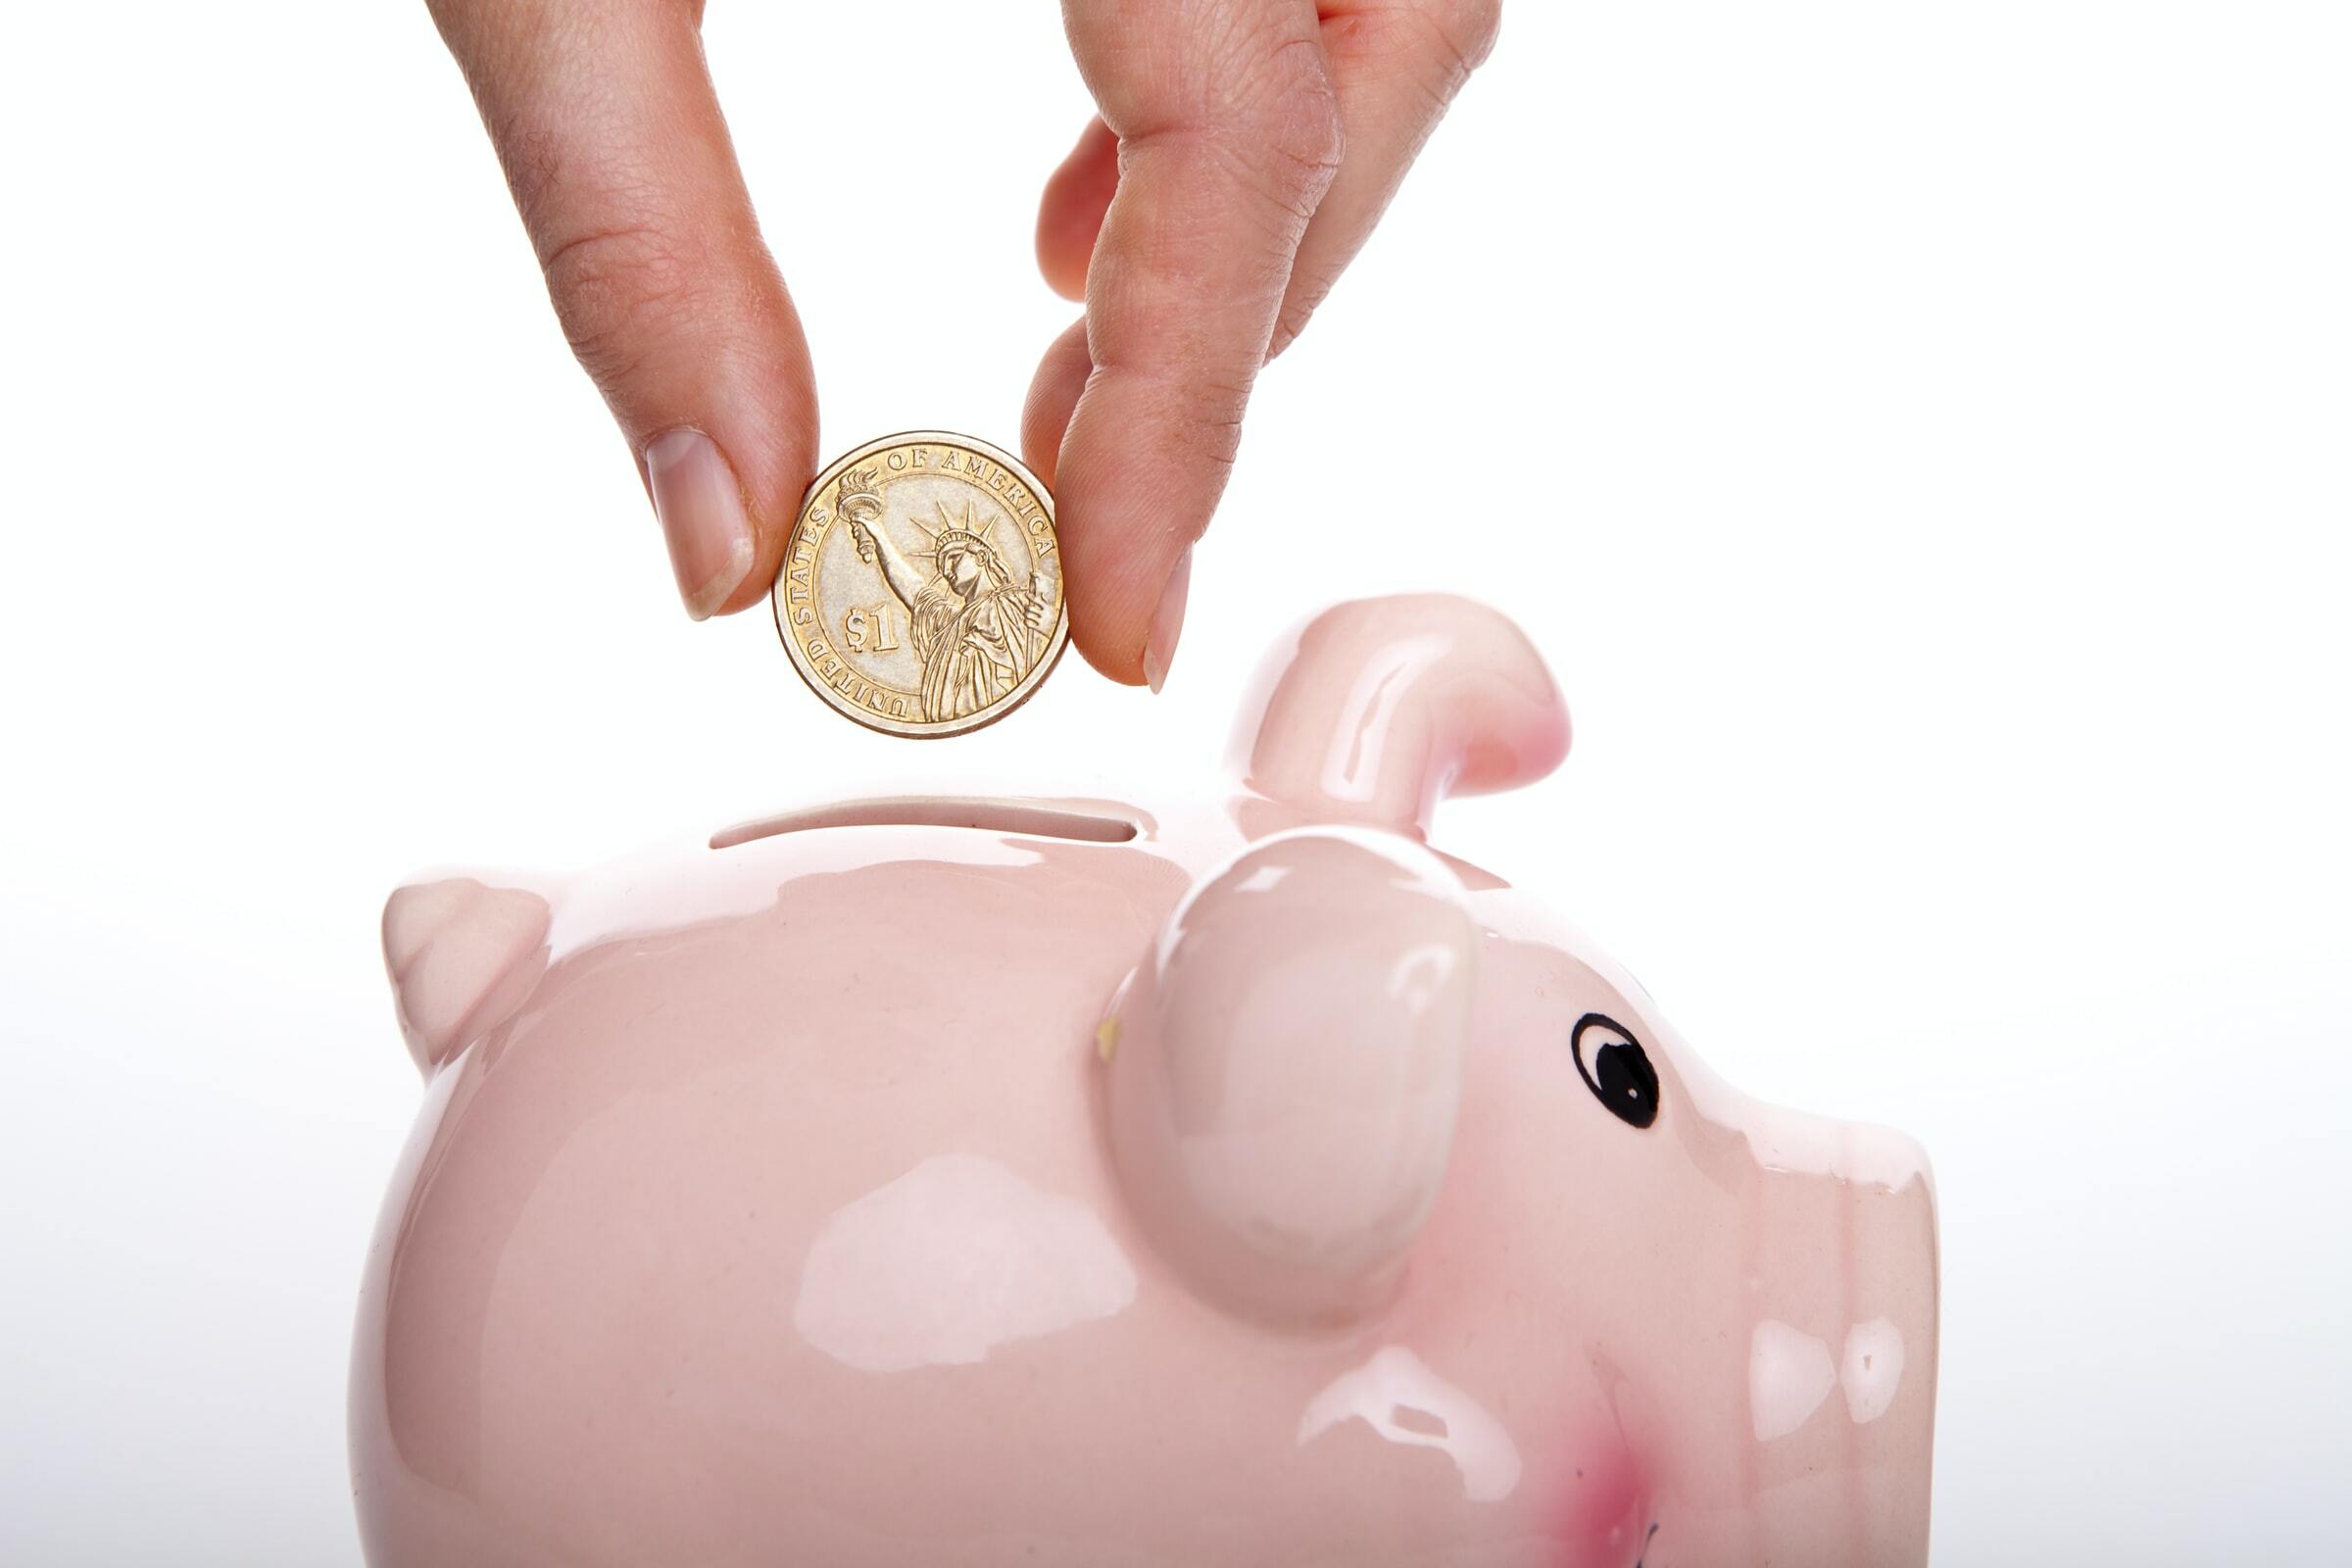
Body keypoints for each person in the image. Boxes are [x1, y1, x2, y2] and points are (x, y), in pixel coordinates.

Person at [422, 0, 1502, 691]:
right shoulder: (942, 600)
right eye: (968, 559)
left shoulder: (968, 611)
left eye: (970, 560)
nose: (969, 565)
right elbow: (893, 566)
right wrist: (860, 526)